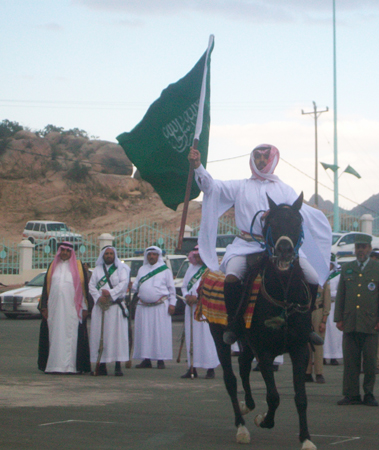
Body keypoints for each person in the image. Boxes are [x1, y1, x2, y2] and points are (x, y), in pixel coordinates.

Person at [188, 145, 332, 346]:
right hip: (246, 245)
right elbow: (212, 187)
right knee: (232, 275)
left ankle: (306, 325)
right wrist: (198, 167)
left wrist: (275, 214)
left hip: (277, 247)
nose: (261, 160)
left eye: (266, 157)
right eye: (258, 157)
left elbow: (295, 214)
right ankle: (234, 325)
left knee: (312, 276)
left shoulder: (284, 189)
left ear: (273, 160)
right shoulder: (241, 186)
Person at [334, 234, 379, 407]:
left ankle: (369, 393)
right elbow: (341, 295)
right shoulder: (347, 268)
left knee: (370, 362)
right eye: (358, 246)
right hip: (351, 322)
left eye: (364, 247)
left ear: (370, 249)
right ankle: (351, 394)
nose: (360, 250)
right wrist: (339, 318)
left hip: (370, 323)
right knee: (350, 361)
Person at [37, 242, 91, 374]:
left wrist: (85, 308)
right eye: (63, 250)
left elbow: (84, 289)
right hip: (54, 309)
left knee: (70, 336)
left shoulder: (78, 267)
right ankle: (53, 366)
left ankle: (70, 367)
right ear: (59, 251)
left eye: (68, 250)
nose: (65, 253)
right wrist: (44, 306)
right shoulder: (53, 266)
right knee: (54, 335)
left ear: (71, 252)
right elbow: (46, 288)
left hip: (72, 309)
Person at [132, 246, 176, 369]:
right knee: (145, 333)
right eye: (149, 254)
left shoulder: (165, 270)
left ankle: (160, 360)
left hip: (160, 307)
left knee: (159, 333)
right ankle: (146, 359)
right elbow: (136, 286)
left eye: (154, 254)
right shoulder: (142, 269)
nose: (151, 257)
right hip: (143, 306)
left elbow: (171, 289)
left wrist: (172, 304)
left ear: (158, 256)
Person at [88, 246, 130, 376]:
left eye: (111, 253)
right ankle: (101, 365)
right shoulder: (97, 270)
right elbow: (91, 286)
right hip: (101, 308)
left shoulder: (121, 269)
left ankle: (118, 366)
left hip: (115, 307)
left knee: (117, 337)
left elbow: (123, 284)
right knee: (101, 336)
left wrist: (110, 293)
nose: (109, 255)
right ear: (103, 255)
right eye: (107, 253)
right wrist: (99, 297)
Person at [180, 246, 219, 379]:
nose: (197, 258)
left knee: (207, 337)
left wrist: (198, 297)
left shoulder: (212, 268)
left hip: (206, 307)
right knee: (192, 337)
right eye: (195, 256)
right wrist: (186, 296)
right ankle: (192, 367)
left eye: (199, 256)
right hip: (191, 308)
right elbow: (184, 286)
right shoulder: (191, 269)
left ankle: (210, 368)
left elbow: (215, 286)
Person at [306, 266, 332, 383]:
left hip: (318, 311)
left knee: (318, 343)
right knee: (305, 343)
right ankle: (307, 372)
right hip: (306, 312)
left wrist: (324, 320)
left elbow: (327, 301)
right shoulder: (306, 278)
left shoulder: (323, 281)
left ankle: (319, 372)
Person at [323, 255, 343, 366]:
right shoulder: (323, 275)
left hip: (334, 306)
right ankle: (323, 356)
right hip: (325, 307)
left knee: (335, 334)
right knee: (324, 333)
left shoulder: (338, 276)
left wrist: (329, 294)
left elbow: (340, 291)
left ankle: (334, 356)